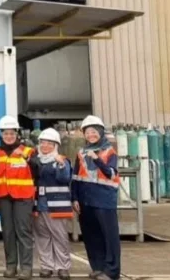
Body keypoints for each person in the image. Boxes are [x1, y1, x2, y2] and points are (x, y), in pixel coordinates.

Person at [72, 115, 121, 280]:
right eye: (87, 132)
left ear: (100, 132)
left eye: (94, 131)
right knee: (91, 236)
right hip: (86, 200)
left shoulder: (110, 152)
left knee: (109, 237)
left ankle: (112, 271)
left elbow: (111, 173)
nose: (90, 135)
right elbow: (76, 177)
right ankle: (98, 267)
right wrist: (74, 198)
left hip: (104, 200)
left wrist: (97, 159)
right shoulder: (81, 153)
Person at [0, 116, 36, 280]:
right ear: (1, 134)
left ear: (17, 134)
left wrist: (26, 158)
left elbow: (38, 170)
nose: (9, 136)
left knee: (23, 231)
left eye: (12, 133)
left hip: (23, 197)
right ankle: (11, 266)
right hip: (3, 197)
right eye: (6, 133)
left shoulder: (28, 151)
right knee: (8, 232)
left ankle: (26, 268)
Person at [30, 128, 73, 280]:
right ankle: (46, 266)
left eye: (49, 143)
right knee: (42, 237)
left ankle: (62, 267)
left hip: (56, 206)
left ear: (56, 145)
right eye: (43, 143)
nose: (45, 146)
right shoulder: (35, 161)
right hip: (39, 205)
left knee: (59, 237)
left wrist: (61, 165)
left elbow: (65, 179)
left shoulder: (62, 161)